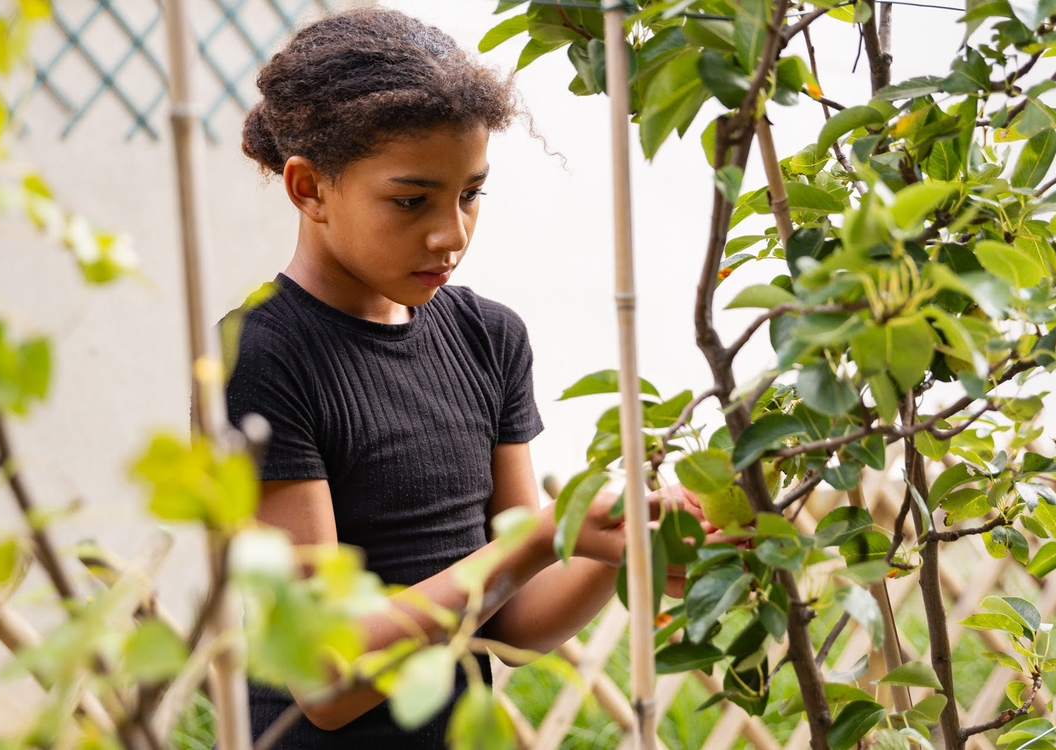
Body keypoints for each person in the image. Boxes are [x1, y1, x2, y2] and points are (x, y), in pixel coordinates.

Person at [225, 7, 712, 748]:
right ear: (310, 188)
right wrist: (540, 537)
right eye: (410, 200)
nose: (450, 234)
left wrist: (624, 546)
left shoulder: (487, 338)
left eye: (470, 194)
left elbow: (515, 625)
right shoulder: (264, 356)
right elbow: (324, 677)